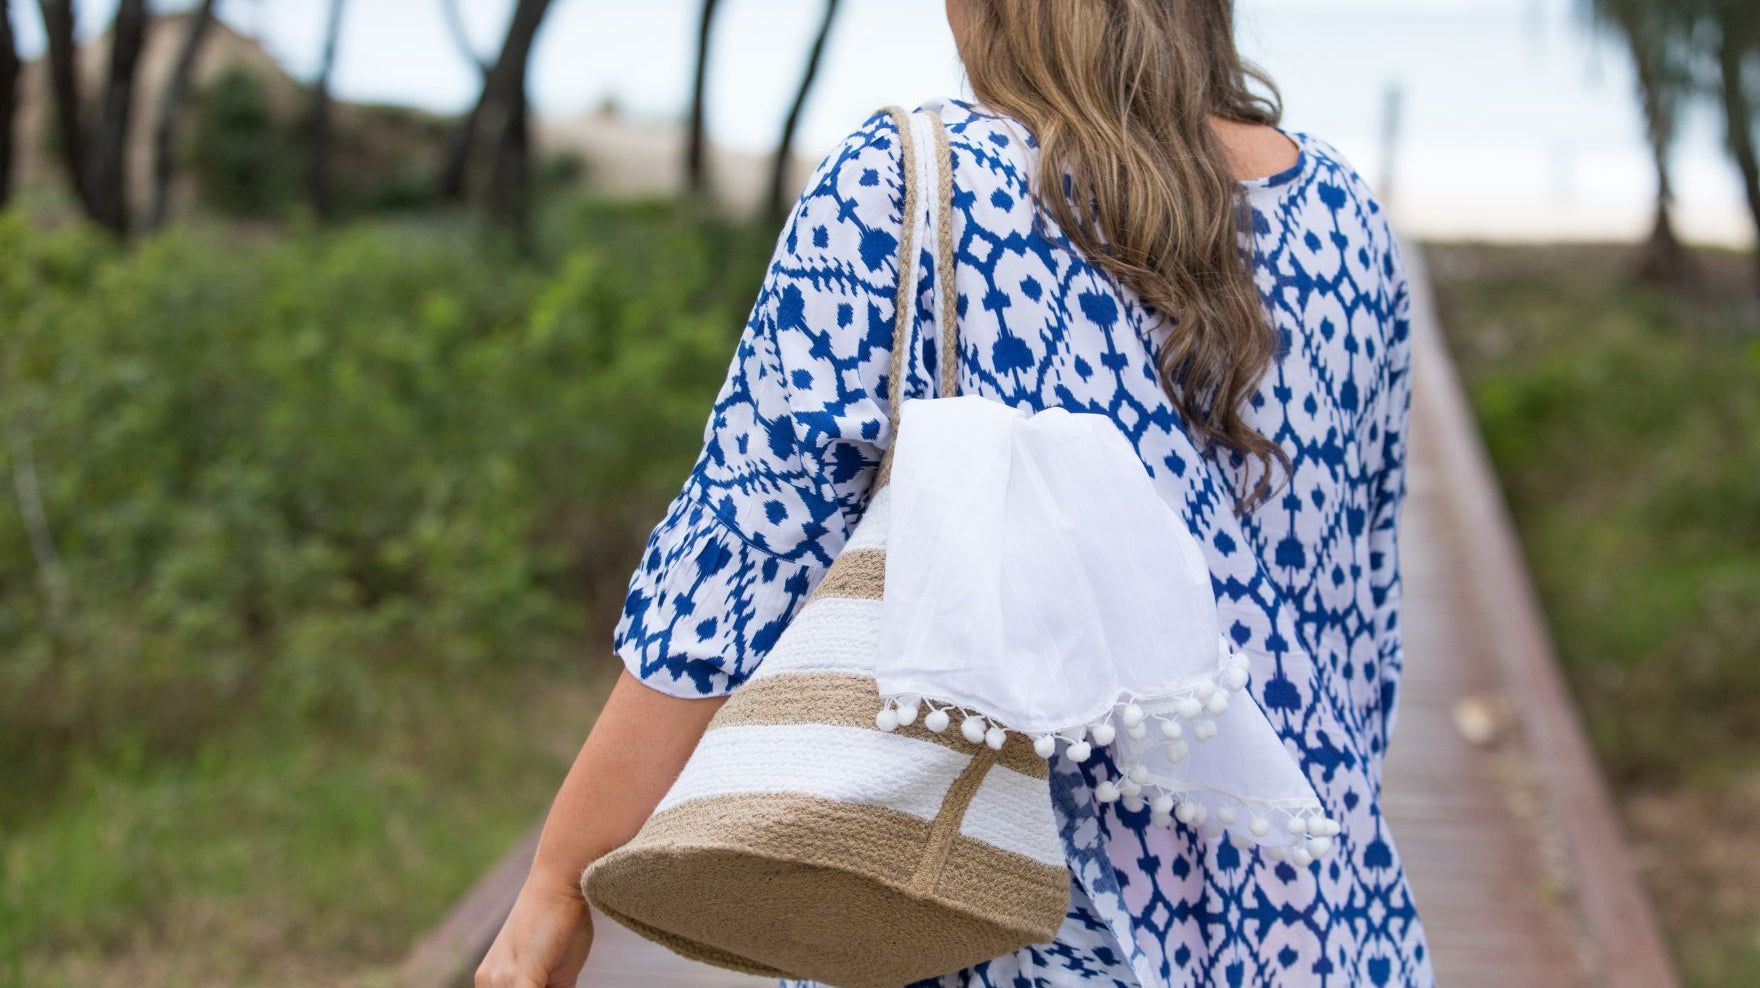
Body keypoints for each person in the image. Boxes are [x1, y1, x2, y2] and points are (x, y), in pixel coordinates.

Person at [477, 1, 1430, 985]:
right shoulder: (1347, 219)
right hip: (1325, 928)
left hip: (994, 925)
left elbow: (735, 561)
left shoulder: (912, 184)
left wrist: (559, 874)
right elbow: (1360, 627)